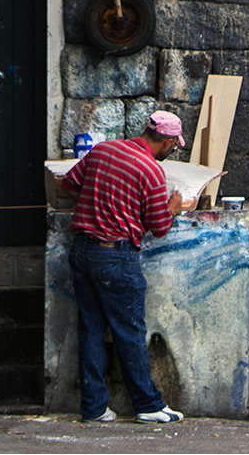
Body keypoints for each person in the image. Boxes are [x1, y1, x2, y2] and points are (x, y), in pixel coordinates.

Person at [62, 111, 187, 424]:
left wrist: (98, 205)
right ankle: (147, 404)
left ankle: (93, 408)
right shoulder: (151, 170)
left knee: (90, 329)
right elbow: (158, 226)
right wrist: (172, 207)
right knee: (129, 331)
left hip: (82, 249)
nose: (173, 149)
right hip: (116, 256)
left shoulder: (103, 150)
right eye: (175, 145)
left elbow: (70, 184)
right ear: (169, 141)